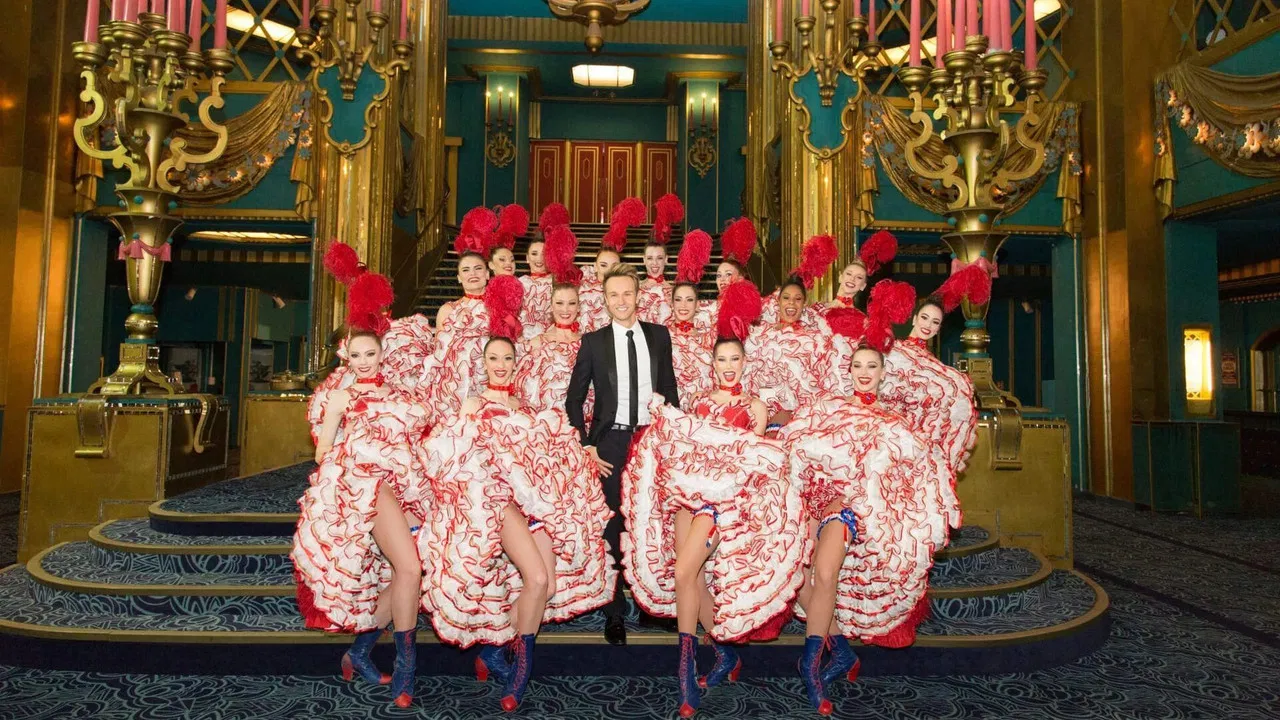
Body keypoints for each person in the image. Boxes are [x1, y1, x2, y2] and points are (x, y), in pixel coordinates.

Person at [417, 279, 615, 712]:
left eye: (508, 358)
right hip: (499, 505)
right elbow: (456, 459)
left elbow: (545, 458)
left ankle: (496, 649)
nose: (501, 365)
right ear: (484, 363)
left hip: (534, 506)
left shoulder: (526, 409)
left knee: (549, 584)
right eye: (494, 358)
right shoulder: (472, 406)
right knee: (538, 579)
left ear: (516, 362)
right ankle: (521, 669)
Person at [623, 280, 806, 718]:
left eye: (734, 359)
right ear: (712, 364)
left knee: (684, 572)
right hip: (689, 498)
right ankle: (724, 654)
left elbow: (753, 461)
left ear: (745, 362)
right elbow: (687, 449)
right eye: (721, 359)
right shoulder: (699, 404)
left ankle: (686, 672)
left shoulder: (756, 407)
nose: (728, 366)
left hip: (723, 506)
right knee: (691, 579)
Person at [781, 281, 958, 717]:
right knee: (796, 578)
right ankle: (840, 650)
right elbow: (795, 445)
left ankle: (810, 666)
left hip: (850, 510)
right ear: (849, 370)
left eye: (871, 367)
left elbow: (903, 473)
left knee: (824, 573)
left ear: (882, 373)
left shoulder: (892, 420)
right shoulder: (827, 407)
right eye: (858, 365)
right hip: (813, 502)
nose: (864, 372)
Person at [292, 244, 428, 709]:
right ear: (345, 356)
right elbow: (322, 452)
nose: (365, 360)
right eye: (356, 354)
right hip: (365, 487)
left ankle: (361, 650)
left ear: (382, 352)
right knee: (410, 568)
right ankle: (406, 668)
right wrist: (347, 447)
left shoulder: (397, 393)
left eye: (371, 353)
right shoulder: (339, 397)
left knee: (413, 572)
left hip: (403, 486)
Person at [565, 262, 680, 646]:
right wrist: (586, 445)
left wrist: (672, 440)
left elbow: (670, 390)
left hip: (650, 440)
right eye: (613, 294)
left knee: (650, 524)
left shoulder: (659, 336)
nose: (621, 300)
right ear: (604, 298)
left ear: (637, 295)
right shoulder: (593, 342)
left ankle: (651, 607)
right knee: (613, 525)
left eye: (627, 293)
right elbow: (574, 399)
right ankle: (614, 611)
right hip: (611, 443)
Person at [880, 264, 990, 477]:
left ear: (939, 329)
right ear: (914, 319)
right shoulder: (893, 351)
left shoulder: (938, 370)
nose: (928, 325)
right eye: (924, 318)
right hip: (889, 436)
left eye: (935, 322)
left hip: (918, 447)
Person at [514, 224, 588, 414]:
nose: (566, 309)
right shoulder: (537, 344)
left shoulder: (588, 343)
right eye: (560, 303)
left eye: (571, 303)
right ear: (551, 305)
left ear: (579, 307)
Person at [668, 230, 715, 408]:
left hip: (702, 405)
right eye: (678, 300)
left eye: (689, 300)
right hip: (670, 405)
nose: (683, 305)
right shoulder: (661, 335)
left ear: (697, 305)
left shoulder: (707, 337)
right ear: (671, 303)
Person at [520, 203, 569, 339]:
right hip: (523, 338)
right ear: (527, 258)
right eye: (534, 254)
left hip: (552, 337)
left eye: (544, 254)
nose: (539, 259)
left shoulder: (557, 281)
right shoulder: (519, 283)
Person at [638, 193, 683, 325]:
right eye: (650, 258)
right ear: (643, 260)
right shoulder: (635, 288)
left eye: (659, 258)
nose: (655, 263)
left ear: (666, 259)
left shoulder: (674, 291)